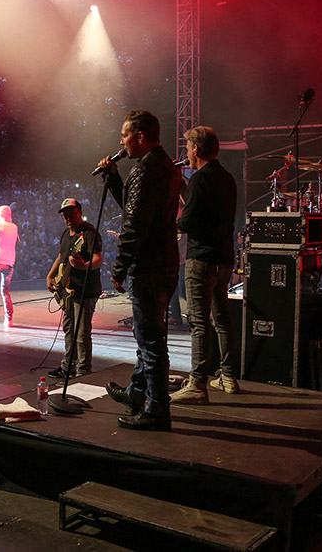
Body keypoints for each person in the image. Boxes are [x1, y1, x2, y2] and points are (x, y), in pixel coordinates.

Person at [98, 110, 180, 431]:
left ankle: (157, 408)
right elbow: (136, 206)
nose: (121, 141)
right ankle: (138, 391)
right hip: (166, 263)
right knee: (147, 335)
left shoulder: (147, 170)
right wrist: (114, 177)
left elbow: (133, 225)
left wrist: (119, 267)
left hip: (148, 266)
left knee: (150, 341)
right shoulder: (167, 166)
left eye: (125, 135)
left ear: (140, 136)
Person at [169, 126, 239, 404]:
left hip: (200, 259)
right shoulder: (226, 178)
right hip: (224, 258)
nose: (185, 153)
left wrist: (172, 223)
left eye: (187, 148)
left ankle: (198, 383)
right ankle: (228, 376)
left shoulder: (200, 179)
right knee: (222, 319)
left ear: (196, 149)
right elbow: (205, 209)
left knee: (199, 323)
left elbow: (188, 221)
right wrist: (183, 187)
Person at [45, 198, 102, 378]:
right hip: (67, 290)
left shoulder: (89, 233)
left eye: (71, 214)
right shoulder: (65, 234)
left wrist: (83, 266)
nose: (68, 218)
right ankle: (67, 366)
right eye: (65, 215)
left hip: (85, 290)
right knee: (69, 329)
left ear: (79, 212)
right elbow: (61, 255)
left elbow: (98, 259)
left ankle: (83, 371)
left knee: (82, 334)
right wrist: (50, 275)